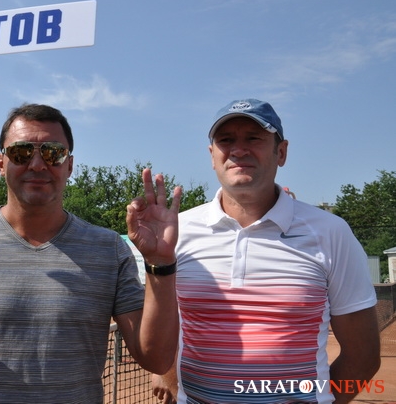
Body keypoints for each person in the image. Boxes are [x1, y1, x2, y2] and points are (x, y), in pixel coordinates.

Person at [0, 103, 180, 403]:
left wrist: (160, 263)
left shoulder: (108, 248)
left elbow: (156, 359)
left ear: (69, 165)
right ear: (1, 163)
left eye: (53, 153)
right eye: (20, 152)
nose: (37, 164)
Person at [152, 99, 381, 404]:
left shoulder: (331, 232)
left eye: (254, 138)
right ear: (212, 156)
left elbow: (363, 356)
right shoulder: (177, 231)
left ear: (281, 152)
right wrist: (172, 382)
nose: (238, 150)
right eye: (226, 140)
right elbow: (163, 333)